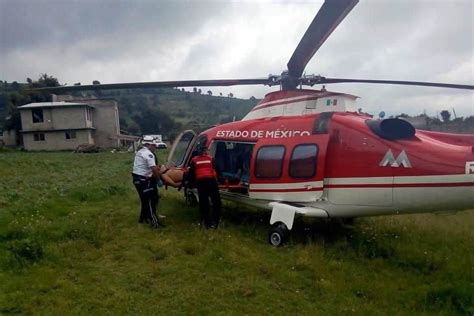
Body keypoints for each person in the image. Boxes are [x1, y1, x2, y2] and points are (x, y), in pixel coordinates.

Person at [132, 136, 164, 228]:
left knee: (145, 200)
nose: (155, 147)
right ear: (150, 144)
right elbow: (153, 169)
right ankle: (154, 223)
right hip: (144, 180)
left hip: (137, 178)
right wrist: (158, 180)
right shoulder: (148, 154)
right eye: (154, 145)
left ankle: (142, 219)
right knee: (150, 200)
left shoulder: (140, 152)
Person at [188, 145, 222, 229]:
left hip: (201, 183)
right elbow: (218, 170)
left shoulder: (194, 160)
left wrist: (191, 184)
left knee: (204, 203)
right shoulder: (211, 158)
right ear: (205, 151)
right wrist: (220, 179)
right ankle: (216, 220)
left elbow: (191, 174)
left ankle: (207, 223)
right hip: (211, 181)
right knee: (216, 201)